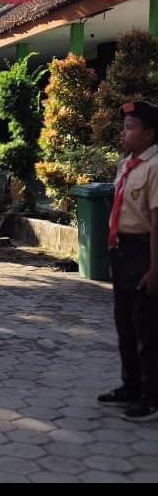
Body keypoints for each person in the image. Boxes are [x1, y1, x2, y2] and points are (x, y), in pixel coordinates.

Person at [98, 100, 158, 422]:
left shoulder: (154, 167)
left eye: (131, 127)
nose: (123, 133)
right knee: (125, 324)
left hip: (144, 250)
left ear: (149, 133)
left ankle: (151, 396)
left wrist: (155, 269)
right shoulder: (126, 165)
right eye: (124, 127)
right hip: (122, 250)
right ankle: (130, 385)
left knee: (147, 327)